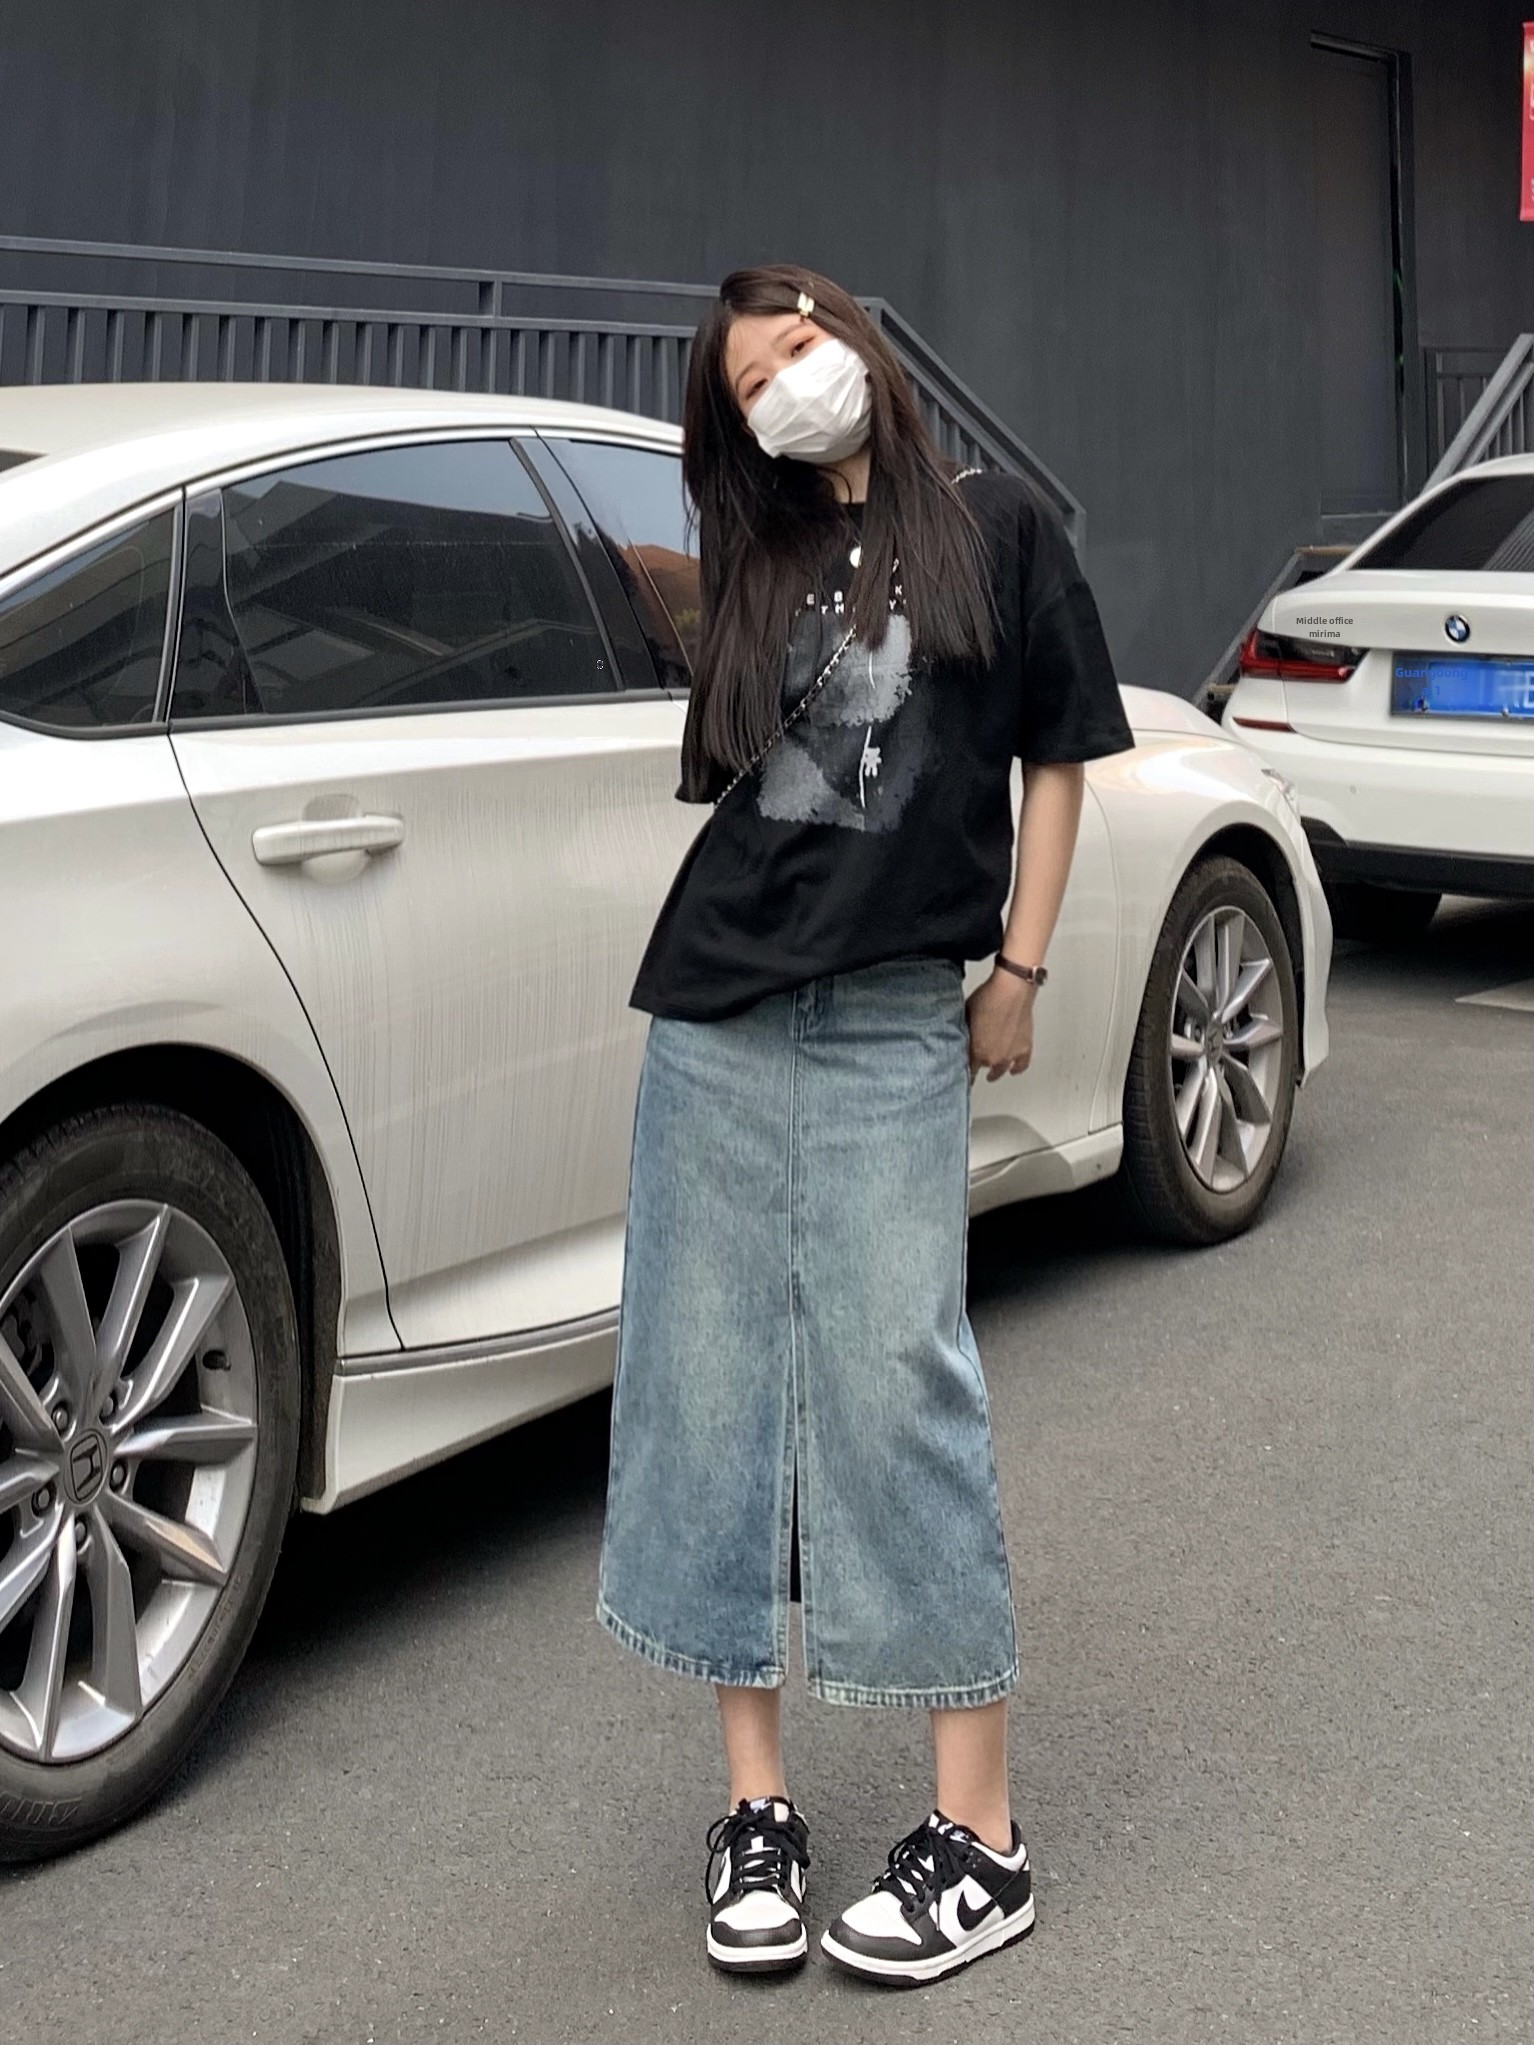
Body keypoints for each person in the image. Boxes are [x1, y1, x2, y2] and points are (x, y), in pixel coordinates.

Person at [596, 263, 1133, 1985]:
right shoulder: (754, 556)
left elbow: (1057, 753)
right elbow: (749, 785)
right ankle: (755, 1805)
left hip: (899, 1015)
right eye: (749, 381)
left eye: (798, 346)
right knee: (707, 1386)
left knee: (903, 1386)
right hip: (716, 1014)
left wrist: (1019, 967)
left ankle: (981, 1833)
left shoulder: (997, 525)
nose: (785, 384)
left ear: (857, 339)